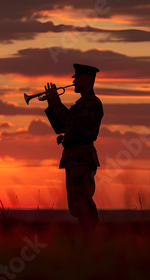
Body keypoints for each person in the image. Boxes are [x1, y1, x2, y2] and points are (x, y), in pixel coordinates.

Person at [43, 64, 104, 238]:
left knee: (83, 203)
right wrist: (52, 105)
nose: (74, 81)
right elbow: (61, 127)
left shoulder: (92, 103)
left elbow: (76, 126)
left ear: (86, 79)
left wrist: (58, 104)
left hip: (81, 158)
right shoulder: (81, 104)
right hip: (73, 158)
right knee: (76, 205)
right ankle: (88, 238)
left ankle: (91, 239)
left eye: (77, 78)